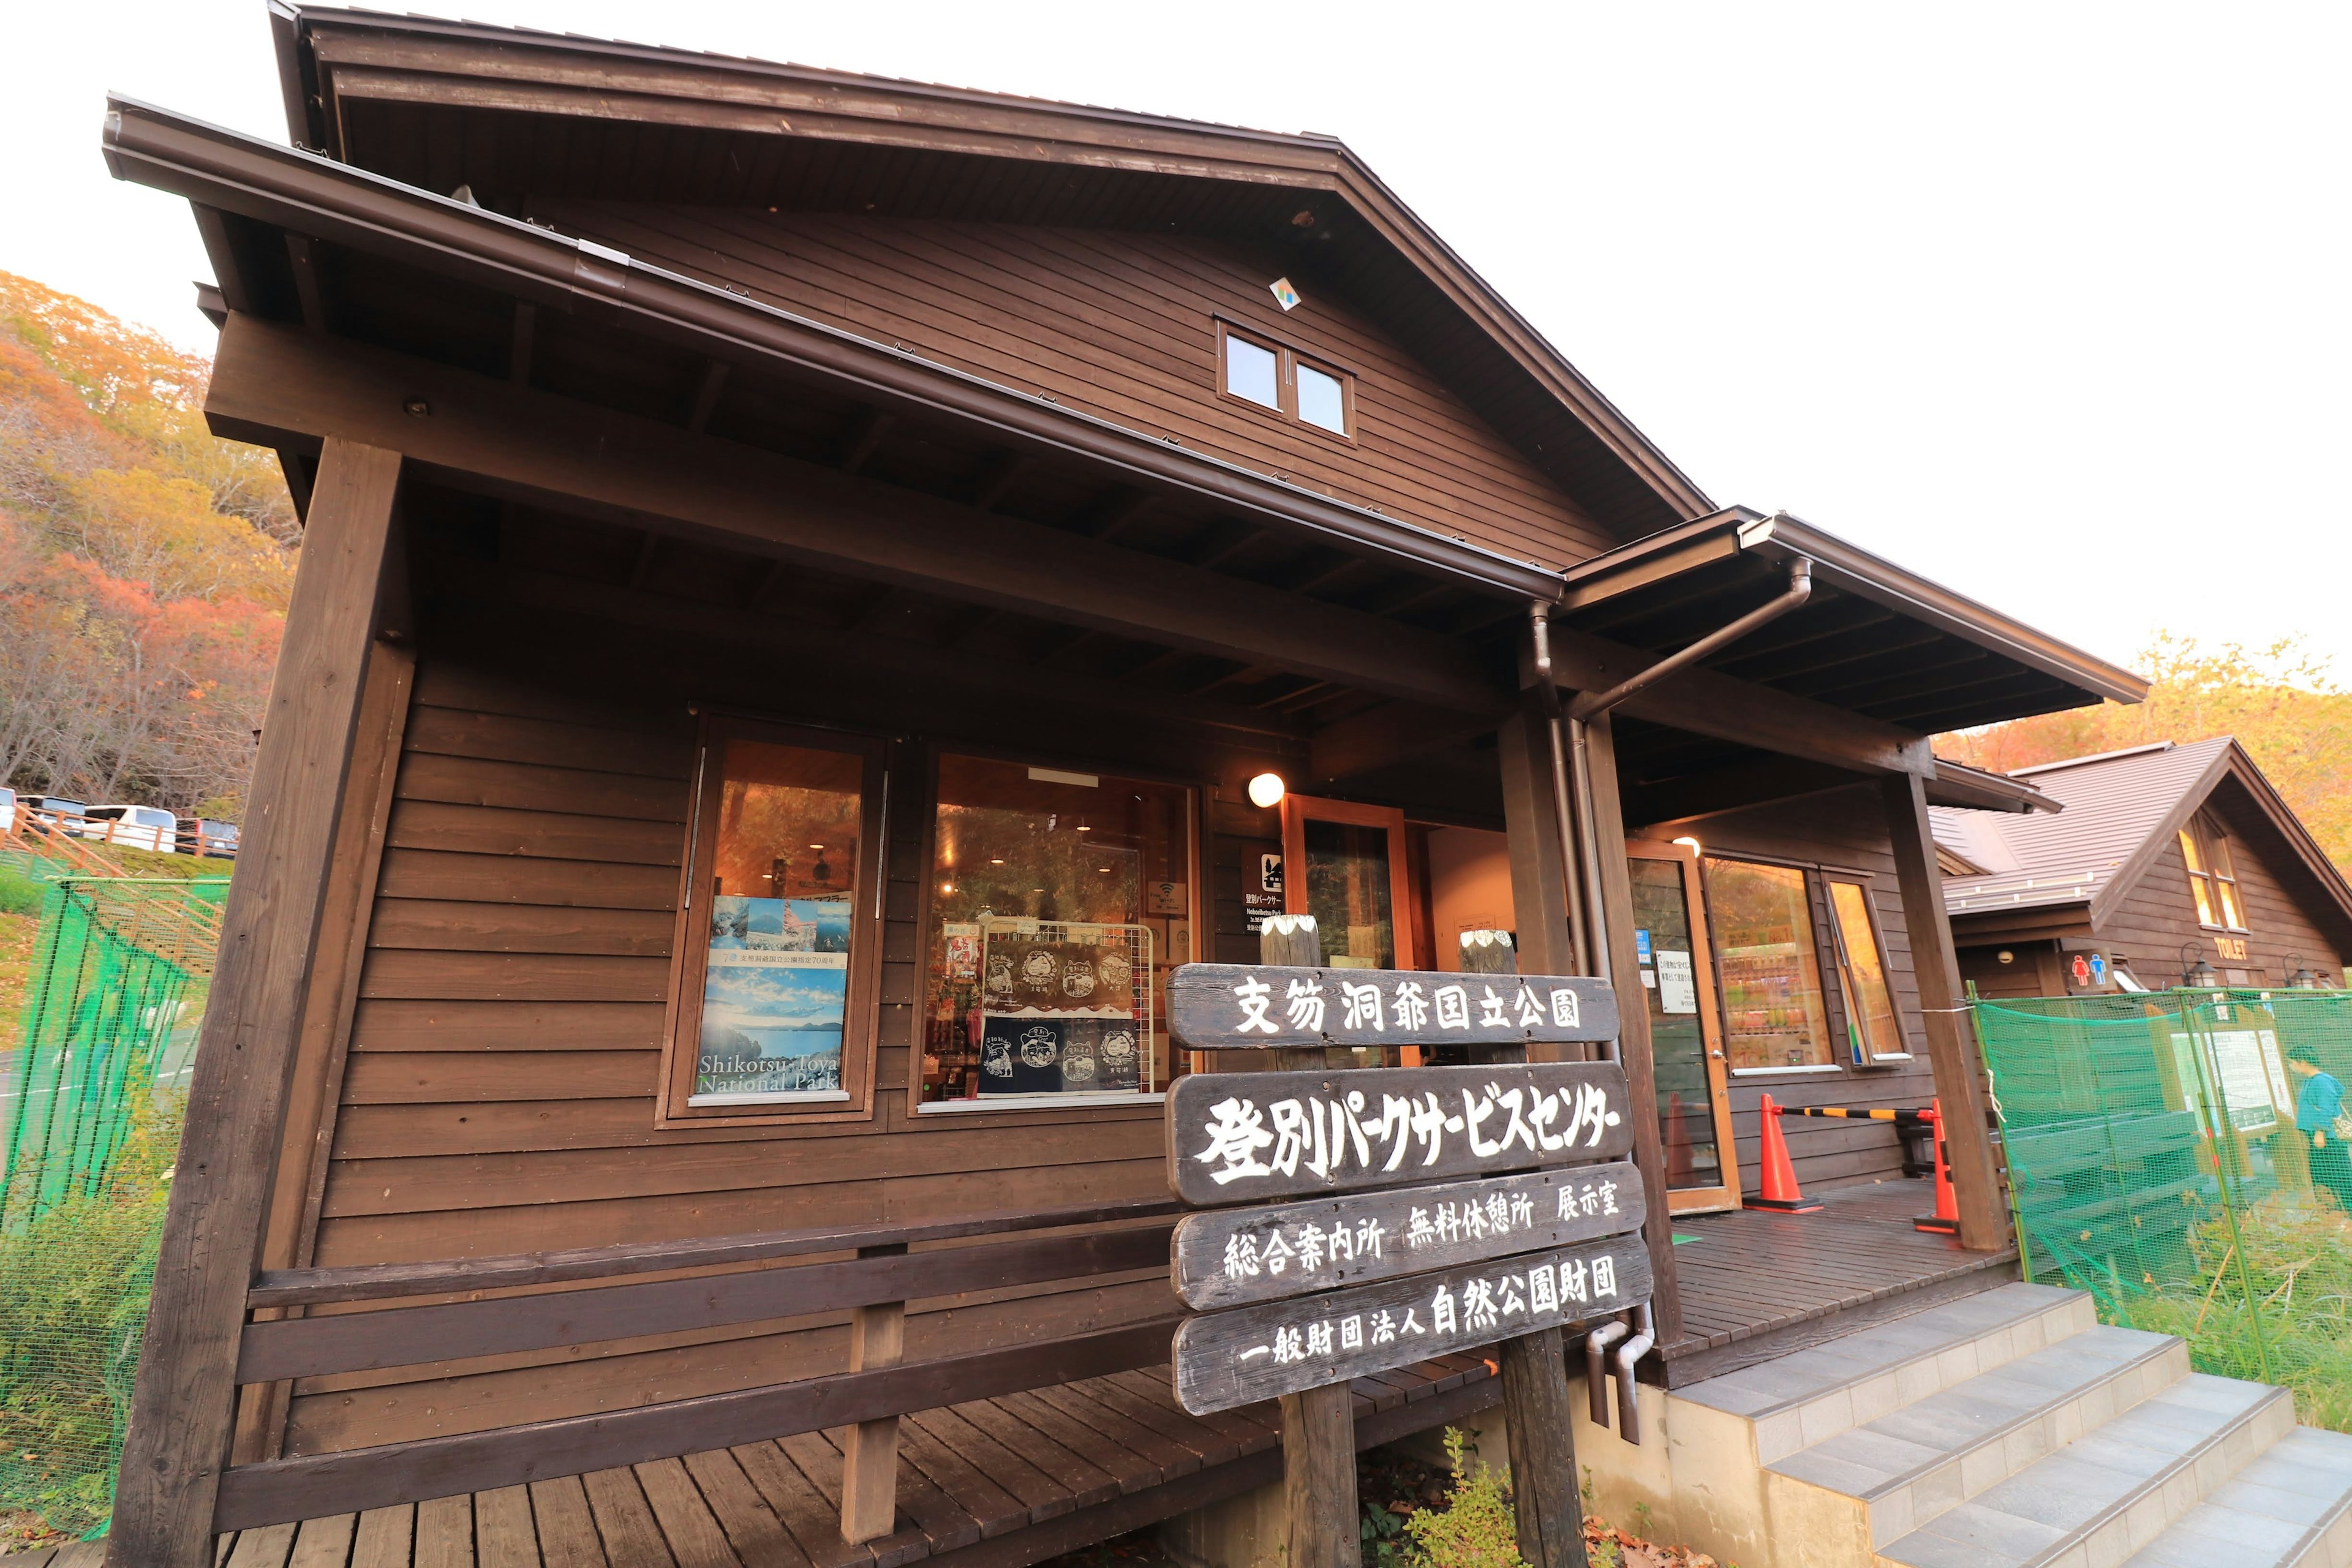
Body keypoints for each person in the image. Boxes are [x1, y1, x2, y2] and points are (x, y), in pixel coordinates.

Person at [2288, 1042, 2352, 1211]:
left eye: (2292, 1062)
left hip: (2328, 1138)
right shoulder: (2311, 1081)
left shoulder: (2321, 1082)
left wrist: (2320, 1132)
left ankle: (2348, 1209)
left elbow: (2326, 1107)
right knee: (2323, 1177)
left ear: (2303, 1062)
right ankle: (2336, 1212)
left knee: (2341, 1176)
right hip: (2320, 1137)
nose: (2291, 1066)